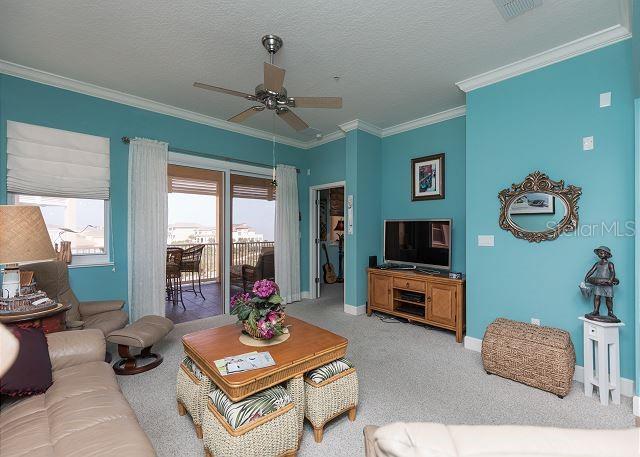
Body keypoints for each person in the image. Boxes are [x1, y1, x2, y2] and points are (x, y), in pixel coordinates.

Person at [583, 246, 620, 322]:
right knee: (597, 297)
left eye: (602, 252)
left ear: (607, 254)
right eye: (599, 253)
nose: (600, 254)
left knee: (609, 299)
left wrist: (610, 280)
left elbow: (612, 272)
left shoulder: (610, 264)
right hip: (598, 284)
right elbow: (591, 271)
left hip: (607, 284)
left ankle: (610, 312)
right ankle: (596, 310)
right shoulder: (597, 264)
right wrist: (587, 277)